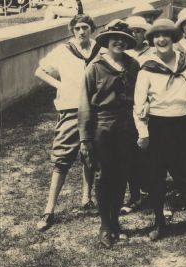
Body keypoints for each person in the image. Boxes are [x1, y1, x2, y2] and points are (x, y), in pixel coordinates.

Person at [133, 18, 186, 242]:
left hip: (181, 125)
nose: (161, 39)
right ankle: (159, 223)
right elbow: (139, 104)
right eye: (156, 36)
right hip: (157, 125)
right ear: (152, 40)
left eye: (166, 35)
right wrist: (143, 132)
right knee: (156, 176)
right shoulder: (146, 67)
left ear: (174, 38)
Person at [35, 14, 102, 231]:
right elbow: (40, 70)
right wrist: (59, 85)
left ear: (92, 29)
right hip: (71, 109)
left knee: (91, 155)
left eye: (85, 27)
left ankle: (86, 197)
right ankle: (49, 210)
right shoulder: (63, 51)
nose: (81, 32)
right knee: (62, 158)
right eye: (77, 28)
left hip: (95, 109)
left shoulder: (100, 49)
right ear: (72, 30)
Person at [78, 20, 139, 248]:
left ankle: (115, 222)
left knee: (122, 173)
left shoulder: (133, 66)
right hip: (102, 125)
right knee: (104, 176)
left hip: (127, 126)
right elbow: (84, 104)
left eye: (124, 38)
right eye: (115, 38)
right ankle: (105, 226)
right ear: (107, 41)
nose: (119, 41)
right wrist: (85, 138)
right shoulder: (95, 67)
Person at [119, 16, 152, 215]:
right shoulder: (123, 53)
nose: (135, 34)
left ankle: (151, 190)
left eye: (139, 31)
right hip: (126, 108)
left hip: (148, 107)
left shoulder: (152, 52)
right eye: (132, 31)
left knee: (149, 152)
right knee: (129, 152)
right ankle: (134, 194)